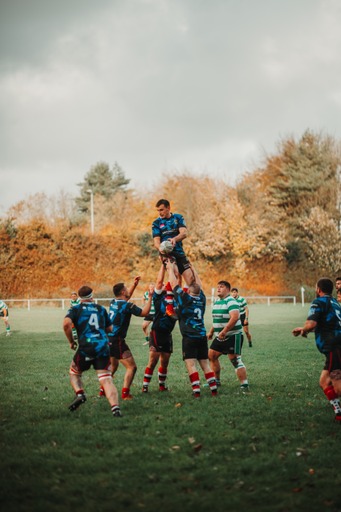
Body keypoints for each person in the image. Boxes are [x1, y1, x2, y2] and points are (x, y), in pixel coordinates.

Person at [63, 285, 122, 417]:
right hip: (102, 346)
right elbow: (110, 329)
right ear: (92, 296)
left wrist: (71, 341)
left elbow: (66, 324)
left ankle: (80, 394)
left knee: (74, 371)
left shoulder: (75, 309)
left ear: (79, 297)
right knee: (106, 379)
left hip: (86, 347)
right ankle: (115, 408)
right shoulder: (100, 309)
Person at [166, 259, 217, 398]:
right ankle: (213, 390)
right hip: (202, 336)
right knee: (205, 365)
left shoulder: (185, 299)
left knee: (191, 365)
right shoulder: (202, 299)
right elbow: (198, 284)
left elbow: (173, 284)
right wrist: (192, 268)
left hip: (189, 338)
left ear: (188, 291)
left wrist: (170, 269)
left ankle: (196, 392)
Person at [292, 277, 341, 422]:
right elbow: (327, 324)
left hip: (333, 346)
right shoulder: (335, 303)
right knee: (324, 382)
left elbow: (312, 323)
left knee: (337, 387)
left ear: (318, 289)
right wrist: (304, 329)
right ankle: (338, 412)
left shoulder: (318, 302)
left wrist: (304, 330)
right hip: (336, 345)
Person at [107, 277, 154, 400]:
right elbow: (144, 312)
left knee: (113, 366)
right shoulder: (128, 306)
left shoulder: (113, 302)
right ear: (123, 292)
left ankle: (103, 391)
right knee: (131, 367)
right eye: (126, 288)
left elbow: (125, 298)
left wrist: (134, 285)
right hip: (117, 340)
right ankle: (125, 394)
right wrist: (150, 297)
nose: (128, 290)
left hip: (107, 339)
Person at [208, 280, 249, 391]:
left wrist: (224, 331)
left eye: (221, 287)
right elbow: (217, 319)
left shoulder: (231, 301)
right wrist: (211, 332)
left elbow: (235, 317)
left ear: (227, 289)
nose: (218, 289)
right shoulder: (217, 302)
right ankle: (216, 381)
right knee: (212, 355)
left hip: (233, 335)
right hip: (220, 336)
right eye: (217, 287)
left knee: (234, 359)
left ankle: (244, 384)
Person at [142, 264, 177, 393]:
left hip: (168, 334)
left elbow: (176, 280)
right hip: (156, 332)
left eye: (165, 285)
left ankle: (162, 386)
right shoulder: (157, 297)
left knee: (165, 361)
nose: (163, 285)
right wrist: (163, 265)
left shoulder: (174, 298)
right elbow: (159, 281)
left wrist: (172, 268)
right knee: (153, 360)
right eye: (162, 285)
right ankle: (145, 386)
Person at [152, 199, 194, 287]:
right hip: (167, 254)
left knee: (190, 279)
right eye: (158, 210)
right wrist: (161, 249)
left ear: (168, 208)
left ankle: (186, 298)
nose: (160, 212)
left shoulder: (178, 218)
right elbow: (156, 242)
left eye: (162, 210)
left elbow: (184, 233)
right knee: (175, 275)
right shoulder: (156, 223)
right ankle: (173, 299)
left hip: (179, 251)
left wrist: (174, 239)